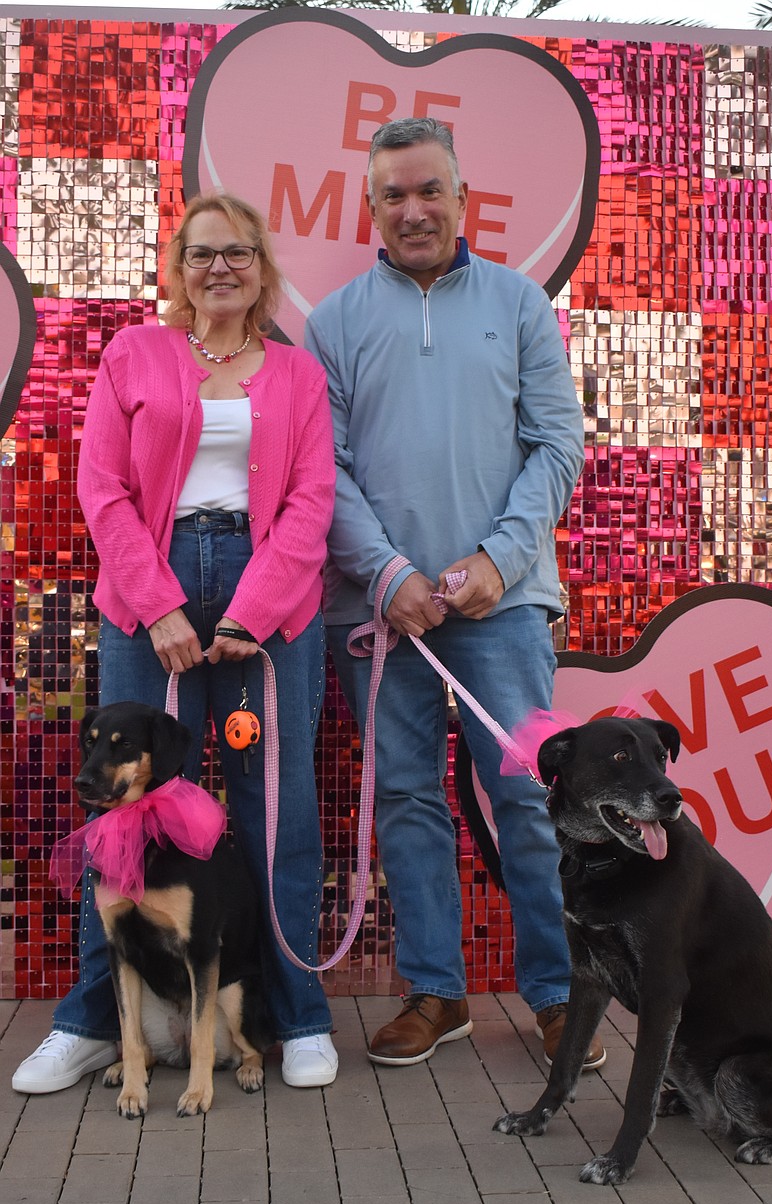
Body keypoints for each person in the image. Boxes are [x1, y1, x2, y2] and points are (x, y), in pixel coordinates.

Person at [13, 192, 339, 1094]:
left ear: (261, 268)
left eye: (238, 253)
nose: (220, 268)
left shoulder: (298, 374)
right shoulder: (135, 354)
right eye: (202, 253)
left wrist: (251, 610)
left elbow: (312, 501)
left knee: (276, 809)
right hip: (145, 587)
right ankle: (89, 1022)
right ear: (179, 269)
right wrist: (159, 604)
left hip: (267, 591)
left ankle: (297, 1016)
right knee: (122, 810)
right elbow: (102, 488)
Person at [305, 118, 605, 1071]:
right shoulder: (333, 322)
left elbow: (557, 446)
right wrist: (387, 574)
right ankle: (436, 992)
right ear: (371, 208)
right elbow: (322, 471)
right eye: (393, 195)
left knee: (527, 797)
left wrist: (497, 562)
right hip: (378, 614)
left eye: (429, 190)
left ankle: (557, 994)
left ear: (463, 199)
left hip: (502, 608)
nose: (413, 210)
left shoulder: (519, 305)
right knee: (404, 798)